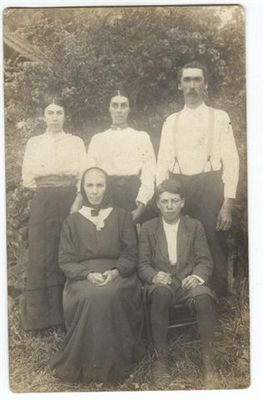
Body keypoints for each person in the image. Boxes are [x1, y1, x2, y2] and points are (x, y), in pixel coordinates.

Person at [50, 167, 144, 383]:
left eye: (99, 185)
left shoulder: (121, 215)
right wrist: (87, 274)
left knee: (109, 294)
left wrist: (116, 271)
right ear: (82, 189)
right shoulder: (72, 221)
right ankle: (87, 364)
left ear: (107, 187)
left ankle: (116, 363)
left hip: (120, 274)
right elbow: (65, 261)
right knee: (92, 296)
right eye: (90, 185)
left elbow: (131, 253)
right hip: (82, 277)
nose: (94, 191)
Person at [156, 61, 239, 297]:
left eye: (197, 80)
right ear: (179, 85)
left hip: (210, 184)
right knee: (179, 238)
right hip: (179, 185)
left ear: (206, 84)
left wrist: (228, 202)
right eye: (187, 80)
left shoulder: (220, 117)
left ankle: (218, 299)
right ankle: (184, 297)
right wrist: (161, 194)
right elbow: (162, 161)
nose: (192, 85)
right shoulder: (171, 121)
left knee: (213, 239)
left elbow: (232, 160)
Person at [138, 179, 217, 388]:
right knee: (160, 294)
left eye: (174, 201)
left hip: (188, 282)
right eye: (165, 202)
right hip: (162, 284)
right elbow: (142, 264)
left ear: (183, 202)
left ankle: (209, 361)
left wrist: (197, 277)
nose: (170, 206)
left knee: (203, 297)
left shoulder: (194, 226)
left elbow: (205, 260)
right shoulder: (148, 228)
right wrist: (154, 276)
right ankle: (160, 360)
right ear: (157, 204)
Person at [20, 96, 86, 331]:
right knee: (41, 252)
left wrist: (76, 201)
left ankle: (67, 314)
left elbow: (83, 177)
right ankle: (40, 319)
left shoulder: (75, 142)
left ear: (65, 116)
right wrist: (46, 188)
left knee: (65, 249)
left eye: (59, 112)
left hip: (68, 199)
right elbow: (27, 178)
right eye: (50, 112)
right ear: (43, 116)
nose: (55, 117)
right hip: (43, 200)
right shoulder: (34, 143)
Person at [71, 90, 156, 224]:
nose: (119, 110)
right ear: (109, 109)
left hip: (132, 193)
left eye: (124, 105)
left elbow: (149, 174)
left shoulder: (141, 137)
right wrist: (79, 200)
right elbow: (89, 173)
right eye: (115, 105)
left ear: (129, 109)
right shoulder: (98, 139)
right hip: (106, 194)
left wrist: (141, 205)